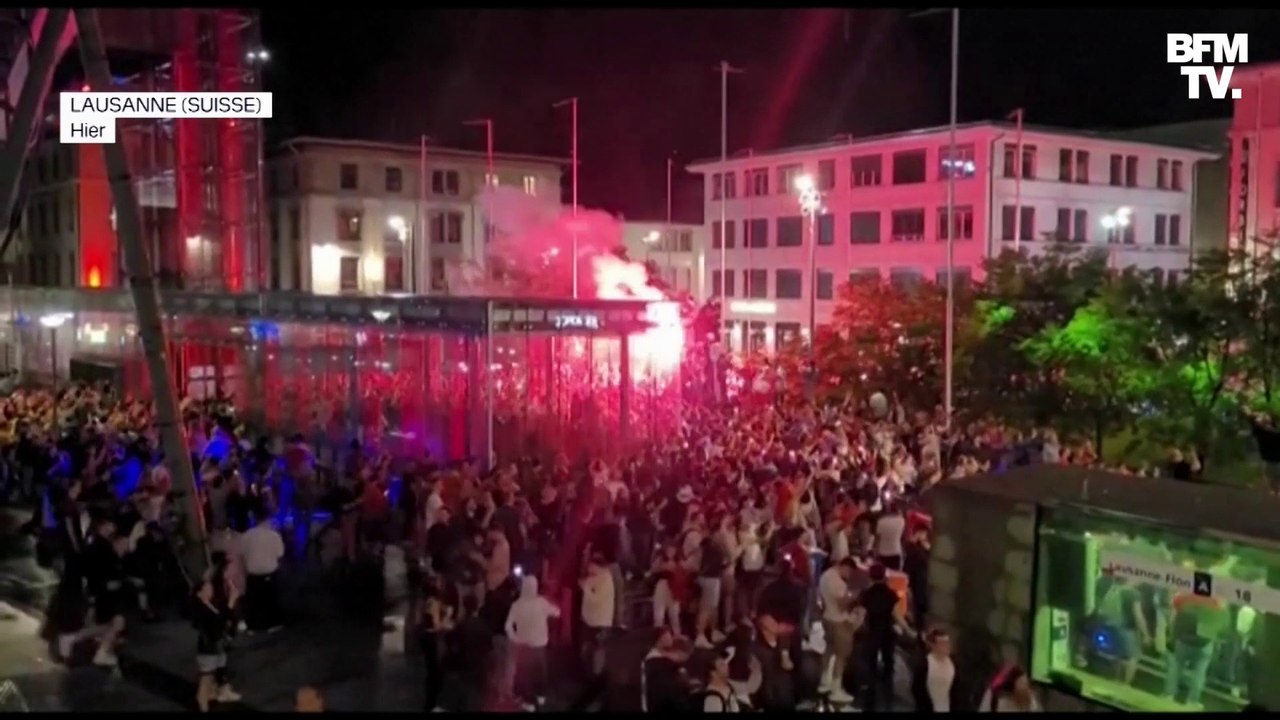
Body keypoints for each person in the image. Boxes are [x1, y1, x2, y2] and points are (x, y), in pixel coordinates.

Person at [857, 563, 910, 711]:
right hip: (887, 631)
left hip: (873, 631)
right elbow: (896, 614)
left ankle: (870, 692)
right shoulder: (890, 593)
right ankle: (888, 692)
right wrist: (907, 629)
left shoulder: (866, 594)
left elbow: (861, 614)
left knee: (871, 662)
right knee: (888, 660)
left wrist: (852, 627)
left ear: (870, 576)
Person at [504, 574, 560, 711]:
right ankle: (540, 696)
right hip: (539, 645)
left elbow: (507, 626)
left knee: (525, 674)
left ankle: (528, 703)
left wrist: (515, 638)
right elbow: (557, 612)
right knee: (540, 672)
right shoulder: (540, 603)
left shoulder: (516, 605)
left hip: (524, 645)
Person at [193, 578, 241, 711]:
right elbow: (217, 624)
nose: (210, 590)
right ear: (199, 593)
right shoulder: (202, 610)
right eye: (207, 588)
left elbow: (224, 618)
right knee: (206, 679)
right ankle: (202, 702)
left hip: (218, 647)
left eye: (210, 587)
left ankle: (217, 693)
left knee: (216, 674)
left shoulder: (212, 605)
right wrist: (231, 603)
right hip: (209, 649)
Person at [818, 557, 860, 705]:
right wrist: (852, 596)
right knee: (842, 655)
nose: (849, 575)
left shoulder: (825, 575)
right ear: (845, 567)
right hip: (839, 622)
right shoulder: (839, 583)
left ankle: (824, 681)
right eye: (849, 572)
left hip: (827, 618)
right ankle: (836, 688)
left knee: (829, 649)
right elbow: (842, 605)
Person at [240, 508, 284, 633]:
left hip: (253, 574)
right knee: (270, 600)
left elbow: (243, 553)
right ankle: (272, 624)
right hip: (269, 572)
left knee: (254, 603)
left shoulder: (247, 535)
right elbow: (280, 554)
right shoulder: (274, 535)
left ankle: (254, 626)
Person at [420, 575, 455, 712]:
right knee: (435, 672)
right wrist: (447, 619)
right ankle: (431, 704)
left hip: (426, 638)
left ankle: (430, 703)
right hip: (431, 638)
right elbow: (436, 625)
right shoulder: (433, 603)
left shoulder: (428, 601)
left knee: (431, 672)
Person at [641, 627, 692, 713]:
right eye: (666, 637)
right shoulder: (655, 663)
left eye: (670, 636)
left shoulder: (668, 664)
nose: (670, 639)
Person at [912, 627, 960, 712]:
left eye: (947, 643)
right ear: (933, 645)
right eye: (942, 643)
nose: (946, 646)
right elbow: (917, 689)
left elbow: (956, 689)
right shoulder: (924, 664)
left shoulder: (954, 663)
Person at [702, 647, 741, 712]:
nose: (727, 666)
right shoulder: (712, 697)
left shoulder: (730, 685)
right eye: (722, 665)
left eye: (725, 663)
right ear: (713, 673)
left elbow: (750, 687)